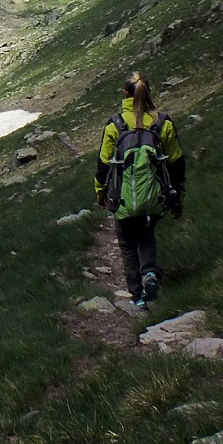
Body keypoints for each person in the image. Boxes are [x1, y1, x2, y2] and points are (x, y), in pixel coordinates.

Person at [93, 72, 186, 307]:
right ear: (148, 91)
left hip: (123, 199)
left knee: (126, 244)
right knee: (146, 234)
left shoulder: (115, 125)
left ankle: (137, 296)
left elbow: (104, 163)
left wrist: (100, 192)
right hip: (154, 196)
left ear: (125, 93)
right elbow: (176, 162)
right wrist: (177, 195)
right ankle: (150, 274)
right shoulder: (162, 122)